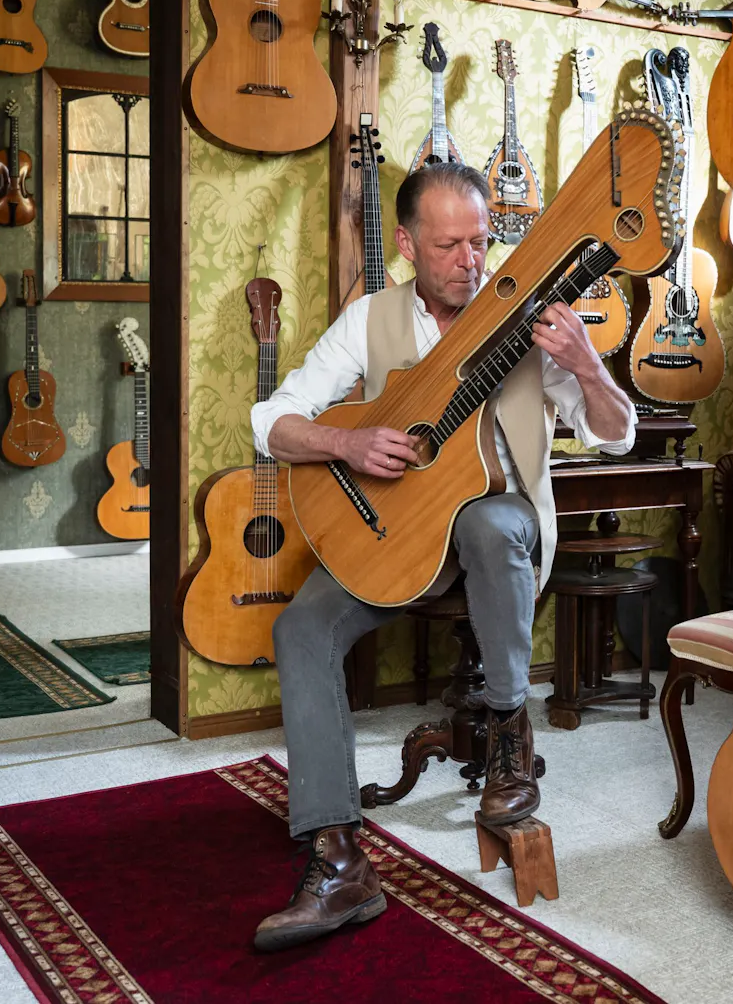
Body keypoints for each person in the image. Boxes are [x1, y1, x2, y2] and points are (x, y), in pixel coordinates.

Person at [248, 162, 637, 952]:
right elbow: (274, 420)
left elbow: (615, 432)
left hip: (499, 526)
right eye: (450, 244)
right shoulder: (370, 319)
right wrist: (346, 441)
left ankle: (507, 742)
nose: (470, 260)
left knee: (489, 526)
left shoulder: (526, 316)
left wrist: (588, 362)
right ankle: (338, 858)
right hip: (398, 532)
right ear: (405, 243)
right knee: (300, 630)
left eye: (481, 241)